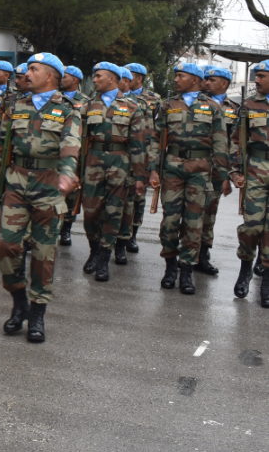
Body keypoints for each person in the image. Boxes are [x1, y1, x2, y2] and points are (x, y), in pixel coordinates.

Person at [0, 53, 80, 343]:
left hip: (50, 185)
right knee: (5, 245)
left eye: (34, 69)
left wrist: (67, 176)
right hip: (16, 182)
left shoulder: (67, 110)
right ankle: (19, 301)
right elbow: (0, 148)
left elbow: (70, 147)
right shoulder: (16, 106)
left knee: (43, 252)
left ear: (49, 76)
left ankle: (37, 312)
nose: (27, 73)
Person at [148, 62, 228, 295]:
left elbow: (221, 143)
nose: (175, 79)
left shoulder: (212, 107)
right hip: (172, 168)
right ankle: (170, 267)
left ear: (194, 79)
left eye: (180, 76)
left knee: (194, 223)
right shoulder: (167, 105)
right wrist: (153, 168)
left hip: (200, 170)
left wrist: (220, 176)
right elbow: (155, 138)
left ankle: (186, 271)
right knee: (170, 221)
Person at [77, 63, 149, 281]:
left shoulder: (132, 107)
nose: (94, 80)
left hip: (120, 162)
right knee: (90, 212)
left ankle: (103, 258)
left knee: (114, 211)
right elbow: (78, 140)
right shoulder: (88, 106)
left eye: (98, 76)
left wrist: (139, 177)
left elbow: (138, 144)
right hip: (93, 160)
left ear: (112, 79)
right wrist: (75, 170)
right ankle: (94, 249)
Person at [229, 59, 269, 306]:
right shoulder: (249, 105)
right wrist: (235, 171)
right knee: (252, 226)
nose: (257, 80)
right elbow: (237, 140)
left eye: (262, 76)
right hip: (256, 169)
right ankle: (245, 268)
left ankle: (267, 282)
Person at [199, 65, 239, 276]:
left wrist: (229, 172)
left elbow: (235, 142)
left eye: (211, 80)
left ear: (224, 83)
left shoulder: (235, 109)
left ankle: (203, 254)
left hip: (217, 168)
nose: (206, 83)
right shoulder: (196, 103)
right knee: (190, 210)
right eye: (205, 79)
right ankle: (187, 252)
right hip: (197, 164)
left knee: (209, 212)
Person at [124, 62, 161, 252]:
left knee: (138, 198)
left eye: (129, 74)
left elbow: (157, 131)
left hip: (144, 154)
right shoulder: (119, 96)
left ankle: (133, 235)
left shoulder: (154, 99)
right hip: (123, 154)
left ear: (139, 78)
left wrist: (152, 160)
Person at [58, 65, 89, 247]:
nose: (61, 79)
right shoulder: (55, 98)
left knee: (71, 192)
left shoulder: (85, 102)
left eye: (65, 76)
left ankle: (66, 229)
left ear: (75, 80)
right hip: (55, 150)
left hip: (75, 151)